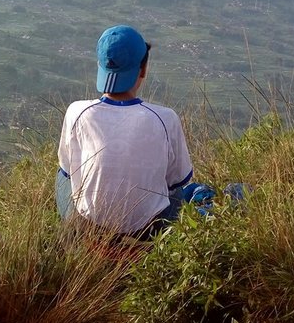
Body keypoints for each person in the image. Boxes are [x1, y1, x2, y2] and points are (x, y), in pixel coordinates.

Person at [56, 24, 193, 240]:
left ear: (100, 65)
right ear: (143, 69)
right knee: (178, 193)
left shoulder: (77, 112)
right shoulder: (166, 118)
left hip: (89, 228)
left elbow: (68, 170)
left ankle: (74, 237)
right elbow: (176, 181)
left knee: (63, 176)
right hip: (149, 231)